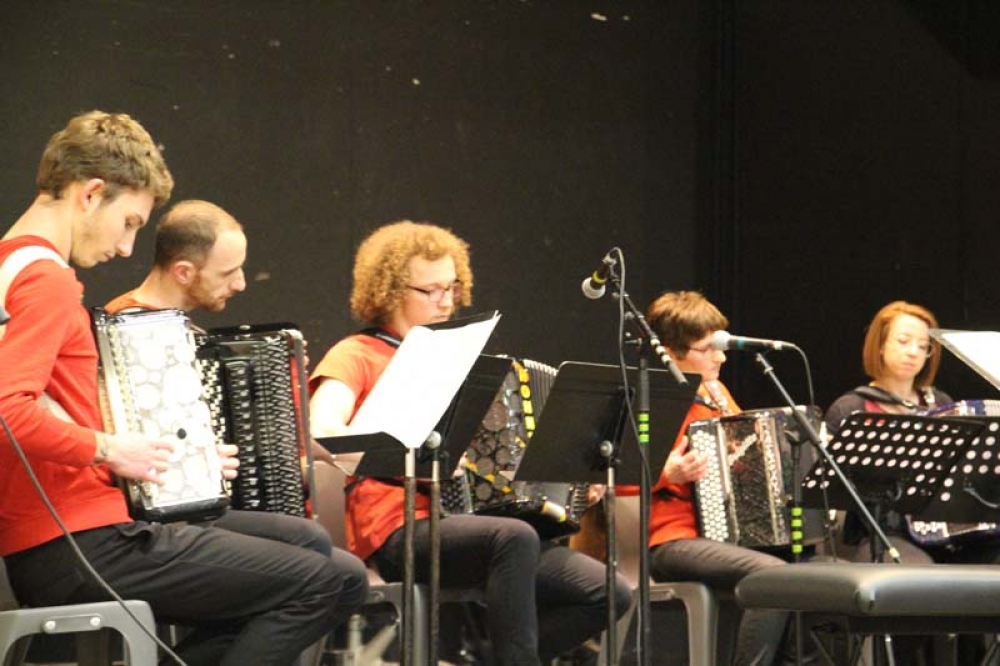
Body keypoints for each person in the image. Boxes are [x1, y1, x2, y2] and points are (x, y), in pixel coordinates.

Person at [0, 111, 367, 666]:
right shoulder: (45, 280)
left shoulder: (11, 265)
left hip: (62, 537)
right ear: (91, 194)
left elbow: (52, 410)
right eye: (129, 222)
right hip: (80, 542)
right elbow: (8, 412)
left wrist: (178, 463)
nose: (128, 247)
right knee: (326, 582)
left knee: (324, 565)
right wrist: (110, 449)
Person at [309, 220, 632, 665]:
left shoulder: (457, 361)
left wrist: (571, 483)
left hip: (482, 527)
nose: (447, 301)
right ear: (389, 291)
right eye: (431, 290)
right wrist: (408, 456)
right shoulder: (357, 353)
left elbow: (496, 460)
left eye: (452, 287)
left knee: (606, 592)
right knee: (514, 537)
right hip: (399, 528)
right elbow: (322, 431)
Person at [105, 198, 336, 556]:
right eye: (228, 273)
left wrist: (276, 386)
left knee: (311, 539)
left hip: (204, 513)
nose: (241, 284)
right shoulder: (129, 332)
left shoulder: (189, 334)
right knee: (310, 543)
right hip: (163, 522)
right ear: (184, 272)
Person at [635, 290, 791, 666]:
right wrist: (664, 474)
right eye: (707, 349)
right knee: (772, 576)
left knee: (818, 574)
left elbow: (742, 455)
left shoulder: (716, 392)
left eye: (720, 347)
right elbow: (616, 478)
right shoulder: (651, 399)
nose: (720, 357)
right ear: (669, 352)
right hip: (671, 539)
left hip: (728, 535)